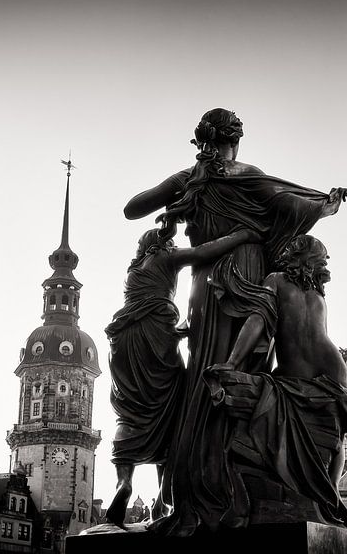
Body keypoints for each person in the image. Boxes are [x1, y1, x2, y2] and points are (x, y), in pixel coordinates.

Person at [124, 108, 347, 535]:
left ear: (200, 141)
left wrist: (181, 190)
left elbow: (132, 209)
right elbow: (293, 205)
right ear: (236, 141)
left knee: (201, 378)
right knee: (244, 374)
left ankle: (194, 491)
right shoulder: (249, 175)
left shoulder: (188, 178)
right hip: (248, 275)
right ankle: (235, 486)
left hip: (205, 283)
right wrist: (326, 204)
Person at [104, 225, 260, 527]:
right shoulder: (165, 257)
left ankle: (124, 482)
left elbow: (145, 302)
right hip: (154, 335)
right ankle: (164, 500)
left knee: (129, 412)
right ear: (161, 244)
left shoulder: (134, 270)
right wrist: (243, 235)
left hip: (123, 343)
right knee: (172, 411)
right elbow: (203, 252)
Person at [205, 235, 347, 528]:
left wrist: (233, 362)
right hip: (332, 368)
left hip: (303, 370)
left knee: (330, 434)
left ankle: (328, 494)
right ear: (310, 260)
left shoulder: (276, 281)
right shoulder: (315, 292)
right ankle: (332, 492)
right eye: (322, 258)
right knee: (336, 437)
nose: (325, 263)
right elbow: (280, 325)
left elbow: (257, 321)